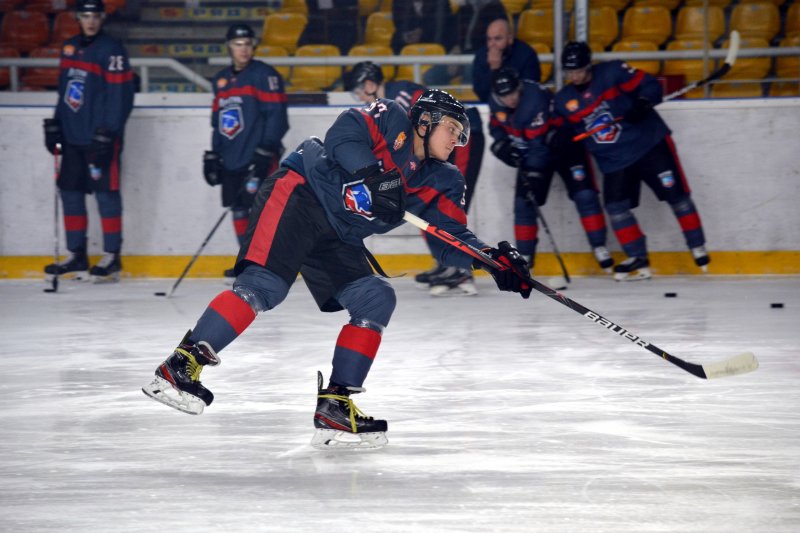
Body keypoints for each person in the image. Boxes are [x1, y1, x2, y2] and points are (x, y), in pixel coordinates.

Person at [142, 90, 532, 449]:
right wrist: (373, 174)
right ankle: (182, 364)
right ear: (425, 121)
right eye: (451, 129)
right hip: (301, 193)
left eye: (461, 135)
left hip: (339, 234)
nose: (456, 141)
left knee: (375, 298)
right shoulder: (392, 116)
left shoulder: (444, 179)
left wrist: (491, 261)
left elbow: (451, 236)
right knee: (264, 286)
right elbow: (343, 133)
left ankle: (335, 405)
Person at [552, 42, 710, 281]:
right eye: (569, 72)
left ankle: (698, 246)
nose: (574, 76)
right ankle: (638, 259)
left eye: (579, 71)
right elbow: (560, 129)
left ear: (589, 66)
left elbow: (649, 85)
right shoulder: (564, 100)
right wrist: (560, 137)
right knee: (616, 208)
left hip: (648, 144)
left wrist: (644, 101)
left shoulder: (613, 72)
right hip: (614, 160)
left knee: (677, 196)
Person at [346, 60, 486, 296]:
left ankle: (460, 270)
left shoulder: (398, 97)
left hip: (460, 140)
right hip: (444, 142)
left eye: (359, 91)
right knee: (421, 203)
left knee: (445, 204)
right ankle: (446, 264)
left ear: (370, 84)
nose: (360, 98)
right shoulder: (389, 103)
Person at [42, 0, 134, 283]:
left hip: (100, 138)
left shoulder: (112, 50)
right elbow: (66, 89)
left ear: (103, 18)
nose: (91, 21)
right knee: (70, 193)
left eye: (95, 16)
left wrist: (109, 132)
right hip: (71, 137)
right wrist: (56, 122)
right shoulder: (69, 48)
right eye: (86, 16)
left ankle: (111, 256)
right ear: (78, 18)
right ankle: (77, 254)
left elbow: (122, 96)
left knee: (106, 195)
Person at [488, 66, 613, 273]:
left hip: (563, 146)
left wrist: (534, 174)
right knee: (524, 203)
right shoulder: (495, 101)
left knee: (585, 195)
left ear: (519, 87)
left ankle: (599, 246)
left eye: (511, 93)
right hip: (533, 151)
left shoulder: (534, 99)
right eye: (504, 96)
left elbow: (538, 145)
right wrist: (503, 146)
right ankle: (525, 258)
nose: (509, 99)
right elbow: (496, 127)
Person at [204, 23, 289, 278]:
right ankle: (248, 260)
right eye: (238, 45)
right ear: (229, 47)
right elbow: (219, 121)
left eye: (248, 44)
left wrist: (266, 149)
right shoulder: (221, 80)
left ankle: (267, 263)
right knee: (238, 209)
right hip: (231, 157)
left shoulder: (265, 75)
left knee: (261, 210)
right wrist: (214, 153)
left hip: (257, 155)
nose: (243, 50)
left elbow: (277, 117)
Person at [471, 17, 541, 103]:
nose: (492, 44)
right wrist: (493, 70)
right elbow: (482, 94)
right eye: (489, 39)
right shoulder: (482, 55)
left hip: (522, 105)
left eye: (498, 39)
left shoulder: (526, 54)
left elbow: (530, 89)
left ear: (510, 39)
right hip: (493, 105)